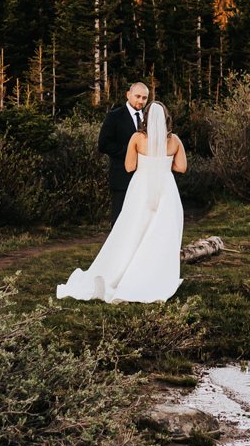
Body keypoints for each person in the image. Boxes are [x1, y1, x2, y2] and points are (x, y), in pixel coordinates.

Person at [56, 87, 187, 303]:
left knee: (133, 229)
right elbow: (181, 168)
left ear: (146, 117)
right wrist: (164, 162)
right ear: (166, 118)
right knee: (161, 232)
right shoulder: (175, 141)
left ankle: (125, 270)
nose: (141, 100)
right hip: (166, 190)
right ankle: (155, 275)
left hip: (141, 188)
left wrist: (145, 159)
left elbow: (129, 167)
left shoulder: (137, 138)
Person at [96, 81, 149, 217]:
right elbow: (103, 144)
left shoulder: (149, 118)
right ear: (128, 95)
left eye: (144, 98)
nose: (141, 101)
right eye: (137, 96)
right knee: (120, 219)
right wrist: (131, 151)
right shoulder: (114, 116)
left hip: (145, 178)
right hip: (122, 177)